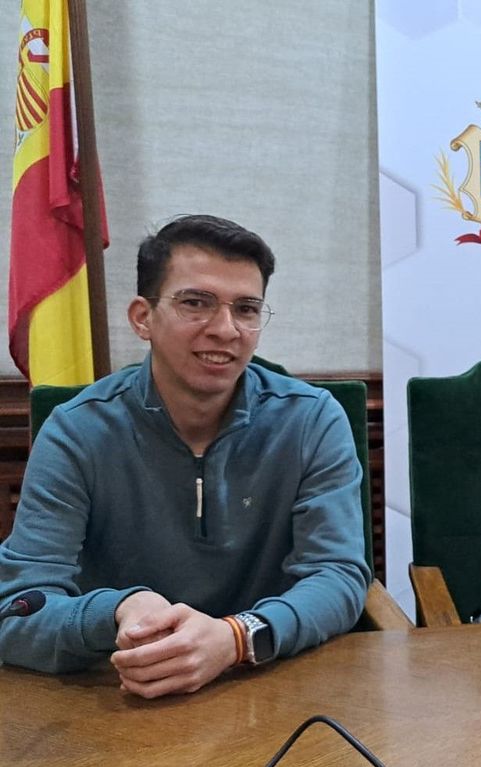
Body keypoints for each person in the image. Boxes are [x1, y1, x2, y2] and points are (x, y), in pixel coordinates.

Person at [0, 215, 370, 697]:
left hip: (268, 686)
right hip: (120, 694)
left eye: (247, 309)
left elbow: (338, 575)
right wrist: (117, 612)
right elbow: (17, 609)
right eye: (196, 303)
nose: (225, 329)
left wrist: (238, 636)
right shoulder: (77, 431)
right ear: (142, 317)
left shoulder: (312, 420)